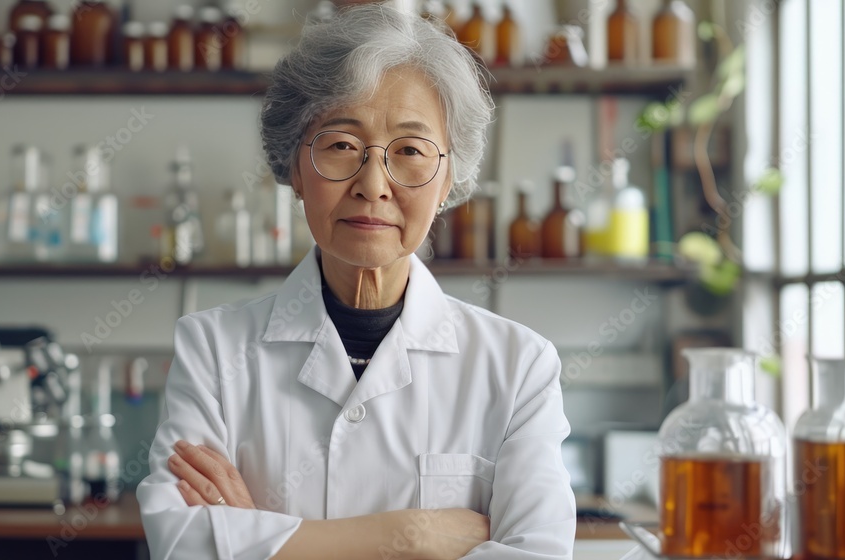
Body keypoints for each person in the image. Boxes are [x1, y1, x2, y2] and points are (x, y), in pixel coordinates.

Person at [137, 5, 576, 559]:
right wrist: (412, 537)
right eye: (341, 144)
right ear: (294, 169)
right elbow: (182, 546)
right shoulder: (212, 351)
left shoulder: (519, 367)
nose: (373, 184)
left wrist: (258, 538)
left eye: (411, 152)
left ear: (449, 180)